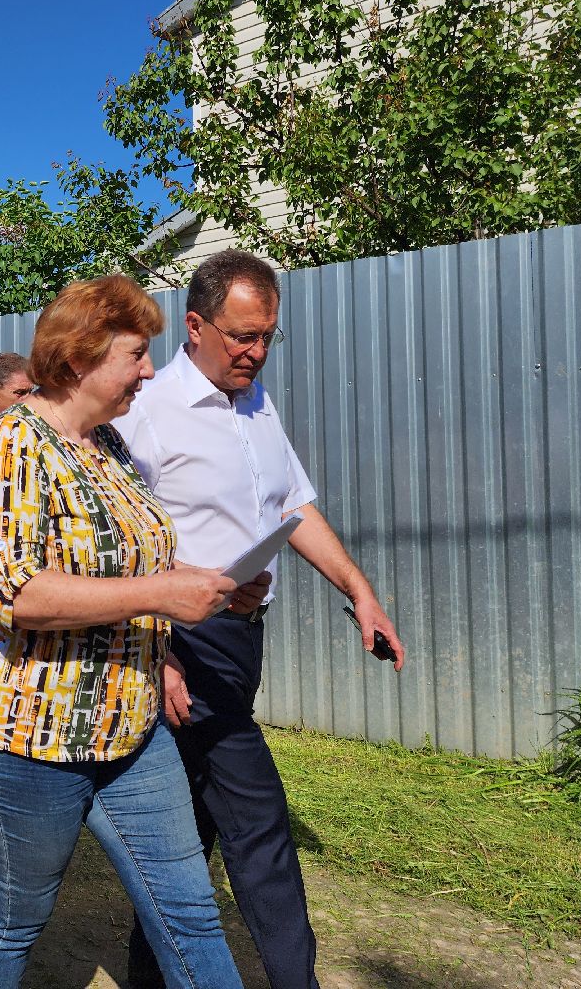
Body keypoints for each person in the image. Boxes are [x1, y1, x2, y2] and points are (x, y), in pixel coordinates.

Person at [0, 274, 269, 989]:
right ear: (80, 359)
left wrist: (207, 586)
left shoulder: (107, 443)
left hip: (131, 723)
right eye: (135, 355)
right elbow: (16, 593)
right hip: (29, 732)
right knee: (14, 919)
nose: (149, 371)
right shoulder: (11, 447)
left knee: (190, 913)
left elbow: (131, 558)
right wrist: (161, 595)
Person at [112, 249, 407, 989]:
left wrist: (359, 590)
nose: (256, 351)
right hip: (183, 645)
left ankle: (149, 974)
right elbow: (116, 544)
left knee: (190, 829)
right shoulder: (148, 410)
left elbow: (291, 506)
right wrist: (158, 651)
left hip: (242, 642)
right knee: (259, 824)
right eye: (243, 335)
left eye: (268, 336)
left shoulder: (255, 402)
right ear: (195, 326)